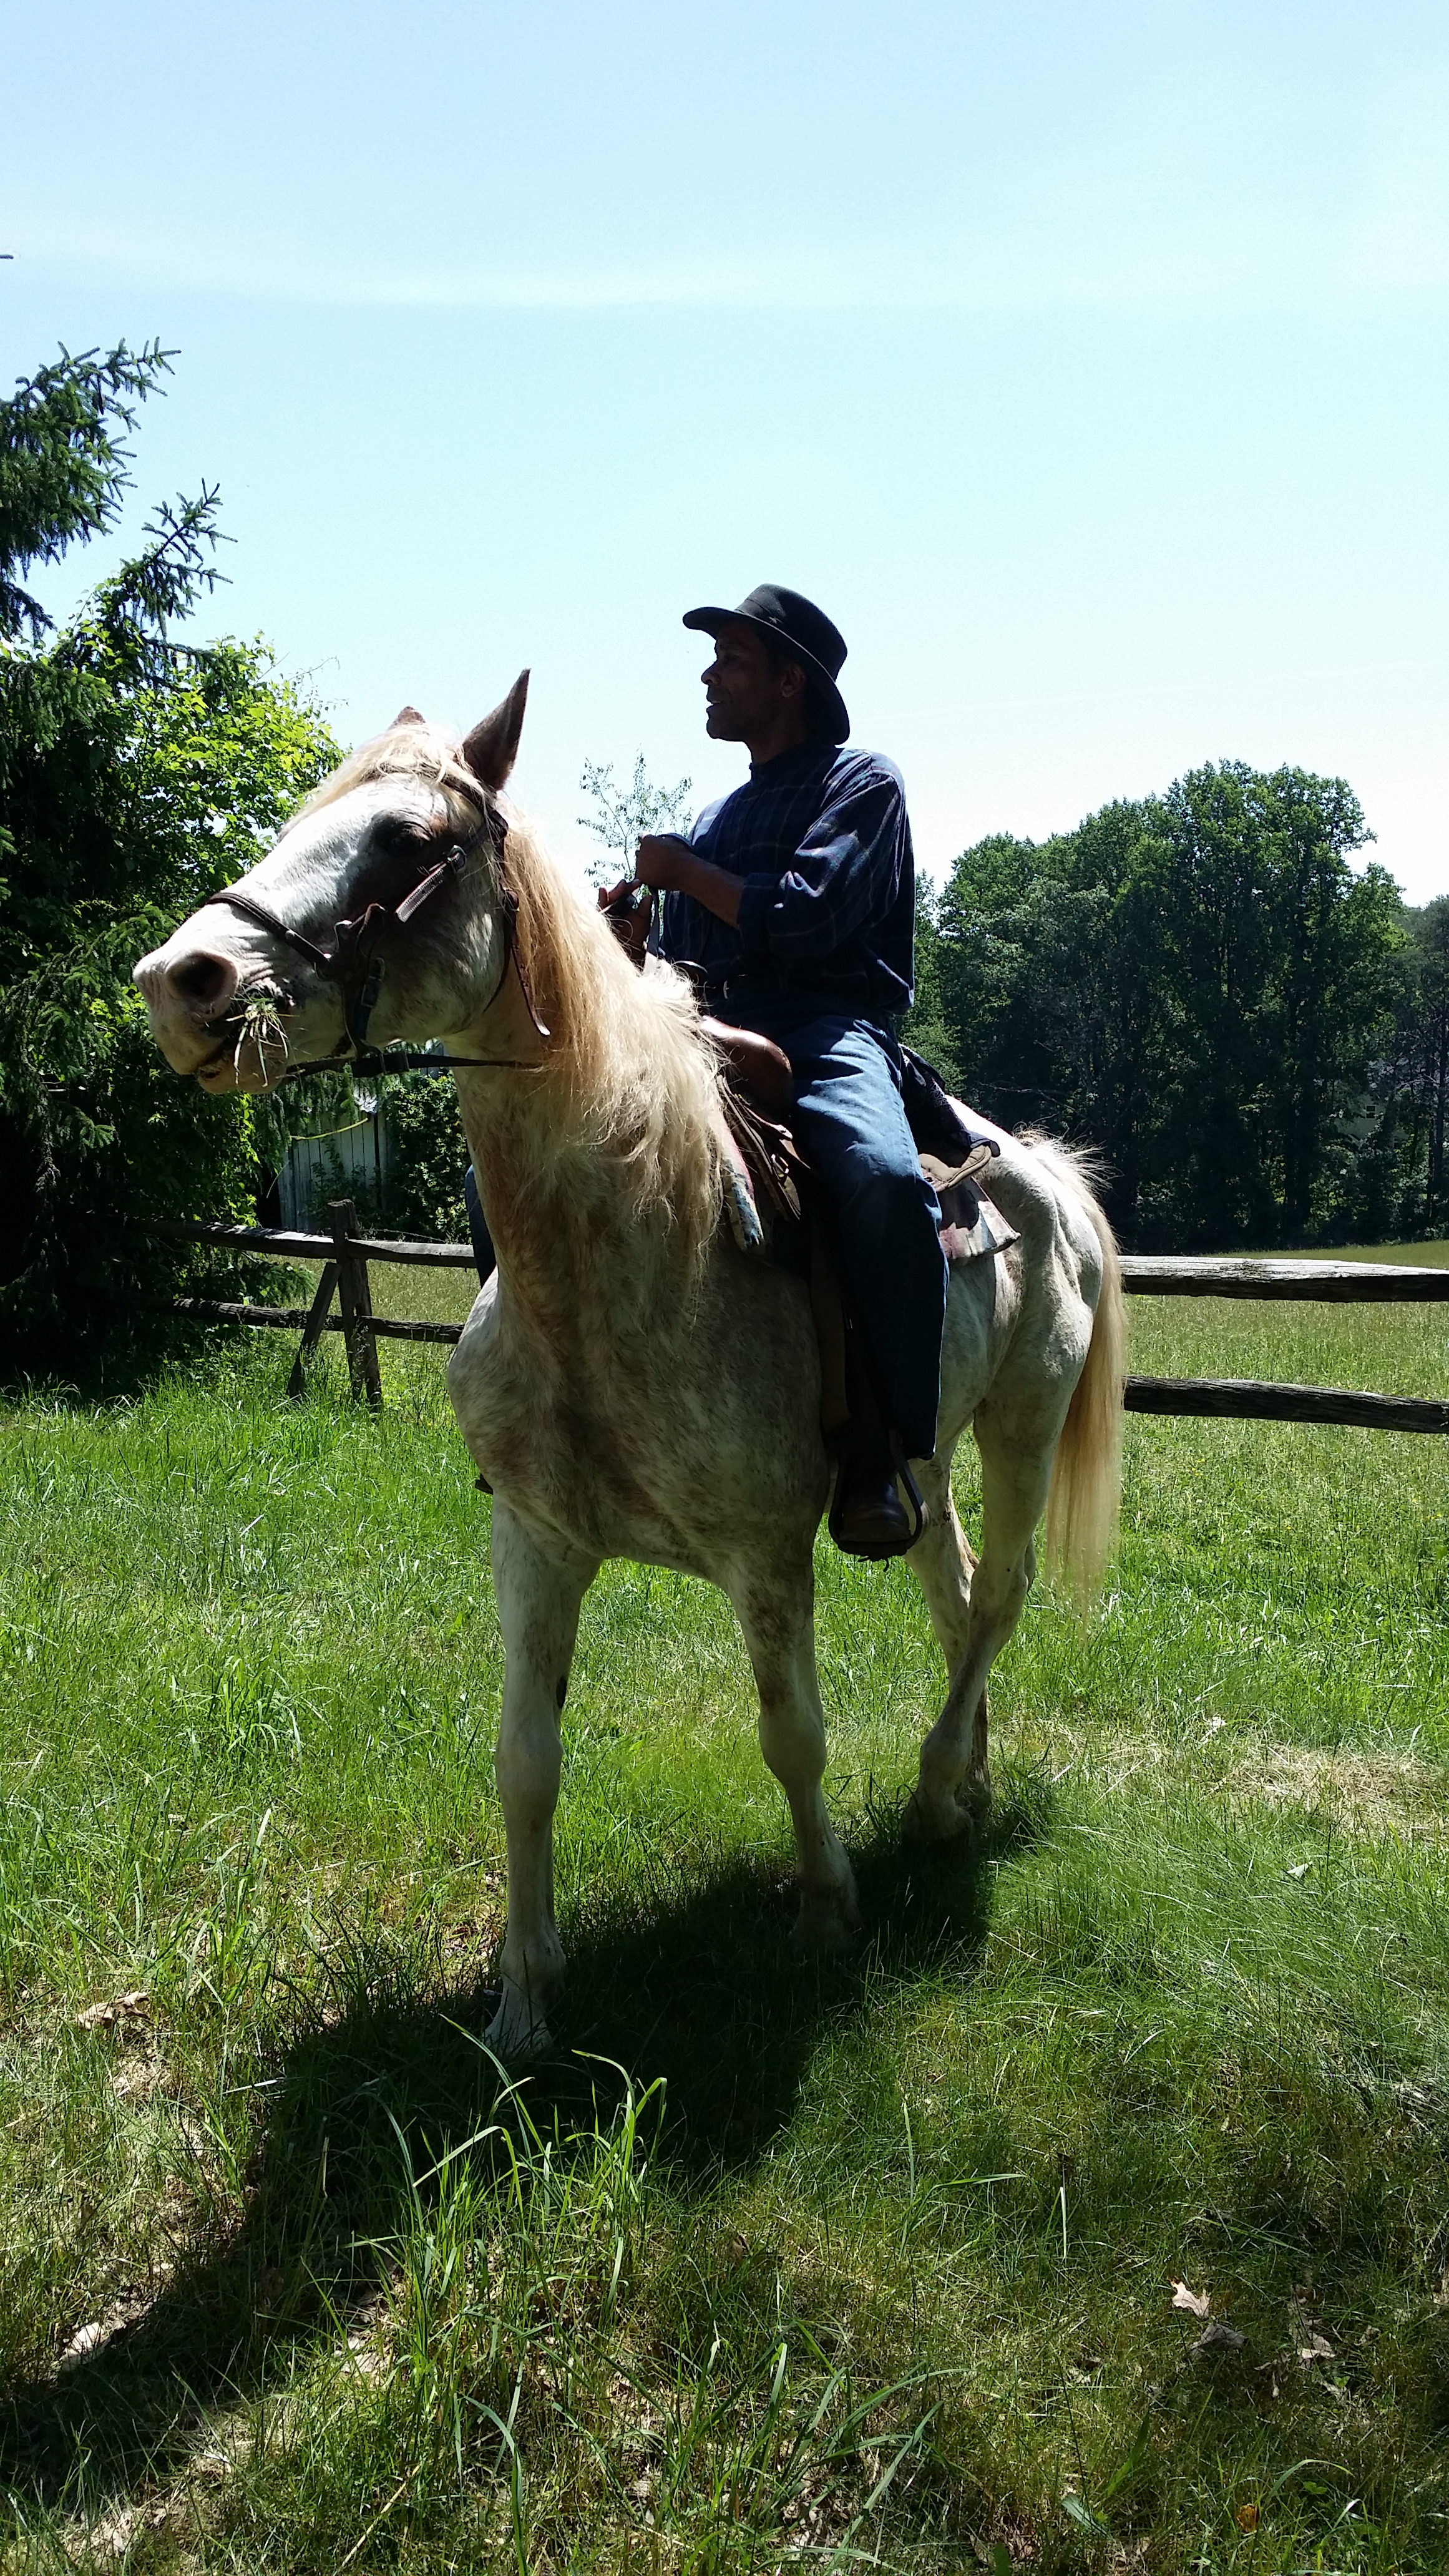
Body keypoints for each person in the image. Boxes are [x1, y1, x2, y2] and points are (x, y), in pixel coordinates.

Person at [597, 583, 947, 1558]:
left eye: (731, 661)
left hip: (827, 1028)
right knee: (527, 1161)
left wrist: (684, 874)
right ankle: (563, 1414)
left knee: (878, 1181)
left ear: (789, 681)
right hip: (704, 1029)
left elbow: (808, 918)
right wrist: (629, 938)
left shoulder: (861, 783)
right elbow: (678, 952)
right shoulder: (715, 816)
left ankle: (881, 1451)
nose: (708, 676)